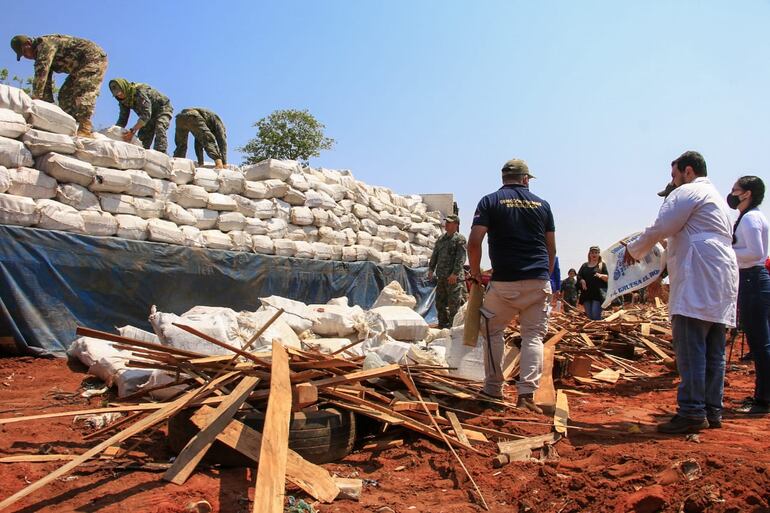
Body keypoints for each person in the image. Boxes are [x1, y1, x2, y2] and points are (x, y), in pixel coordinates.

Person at [623, 151, 738, 433]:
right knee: (713, 349)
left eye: (674, 175)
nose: (672, 182)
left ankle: (691, 412)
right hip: (721, 277)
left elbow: (661, 227)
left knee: (691, 345)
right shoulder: (718, 201)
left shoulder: (688, 192)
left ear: (687, 171)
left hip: (698, 277)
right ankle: (712, 410)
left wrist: (634, 250)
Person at [468, 158, 556, 414]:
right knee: (533, 337)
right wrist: (544, 276)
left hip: (503, 283)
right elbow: (551, 248)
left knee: (492, 331)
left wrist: (475, 274)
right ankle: (526, 396)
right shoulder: (543, 205)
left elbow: (474, 242)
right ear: (526, 179)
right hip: (538, 281)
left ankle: (493, 390)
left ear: (503, 178)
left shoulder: (490, 201)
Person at [10, 34, 107, 138]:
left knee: (82, 92)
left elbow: (41, 73)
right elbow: (46, 83)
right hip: (78, 67)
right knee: (65, 95)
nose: (27, 57)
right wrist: (45, 107)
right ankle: (72, 125)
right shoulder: (42, 54)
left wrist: (34, 99)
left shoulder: (45, 45)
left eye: (25, 52)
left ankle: (85, 129)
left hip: (93, 58)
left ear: (28, 43)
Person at [728, 176, 770, 415]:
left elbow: (756, 252)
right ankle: (762, 395)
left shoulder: (751, 218)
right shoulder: (748, 217)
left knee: (760, 344)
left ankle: (763, 400)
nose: (732, 194)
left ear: (748, 193)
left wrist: (726, 249)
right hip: (752, 279)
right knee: (760, 342)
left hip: (753, 279)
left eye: (736, 190)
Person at [109, 79, 173, 153]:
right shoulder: (123, 101)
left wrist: (132, 131)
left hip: (162, 109)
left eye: (120, 92)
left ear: (124, 88)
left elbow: (146, 114)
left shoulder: (139, 92)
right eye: (117, 95)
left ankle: (161, 153)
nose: (120, 95)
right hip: (148, 116)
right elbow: (122, 120)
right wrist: (114, 133)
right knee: (142, 142)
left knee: (160, 127)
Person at [428, 214, 467, 329]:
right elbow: (435, 255)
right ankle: (442, 325)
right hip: (442, 278)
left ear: (456, 225)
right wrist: (431, 269)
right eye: (446, 222)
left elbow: (461, 258)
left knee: (454, 304)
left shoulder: (459, 239)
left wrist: (455, 274)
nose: (446, 224)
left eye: (449, 223)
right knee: (440, 303)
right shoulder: (441, 239)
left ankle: (454, 327)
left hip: (453, 279)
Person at [578, 246, 608, 320]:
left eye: (596, 252)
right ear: (589, 254)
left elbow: (608, 278)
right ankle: (593, 331)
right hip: (586, 294)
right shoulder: (584, 265)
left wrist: (601, 275)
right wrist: (582, 280)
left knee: (595, 315)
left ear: (599, 254)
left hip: (598, 294)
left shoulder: (602, 265)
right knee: (589, 316)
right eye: (592, 253)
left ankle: (600, 330)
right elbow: (579, 275)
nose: (594, 254)